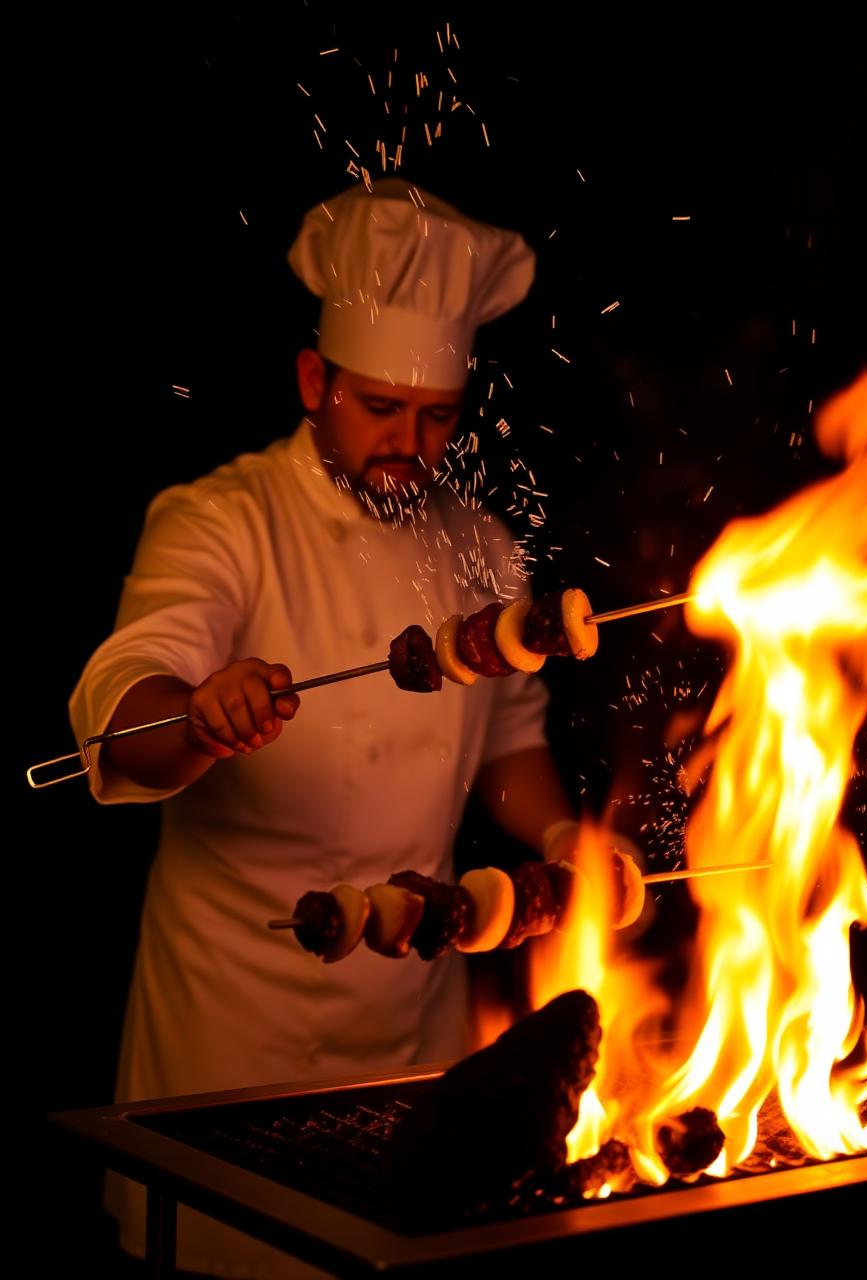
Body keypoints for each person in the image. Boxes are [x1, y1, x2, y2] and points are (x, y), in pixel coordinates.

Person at [70, 180, 590, 1278]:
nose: (409, 444)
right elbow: (128, 706)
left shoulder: (484, 549)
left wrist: (562, 845)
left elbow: (510, 747)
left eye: (437, 416)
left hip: (417, 1039)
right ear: (315, 380)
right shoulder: (221, 518)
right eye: (378, 409)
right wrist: (197, 719)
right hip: (226, 1047)